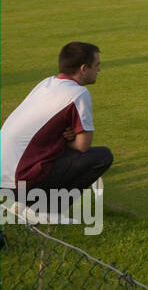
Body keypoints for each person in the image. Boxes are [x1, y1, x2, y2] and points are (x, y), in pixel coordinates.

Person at [0, 42, 112, 208]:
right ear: (83, 68)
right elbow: (83, 145)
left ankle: (30, 204)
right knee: (102, 157)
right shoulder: (78, 93)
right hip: (21, 183)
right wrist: (66, 140)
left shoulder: (46, 83)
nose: (99, 70)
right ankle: (47, 209)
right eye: (97, 65)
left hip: (3, 180)